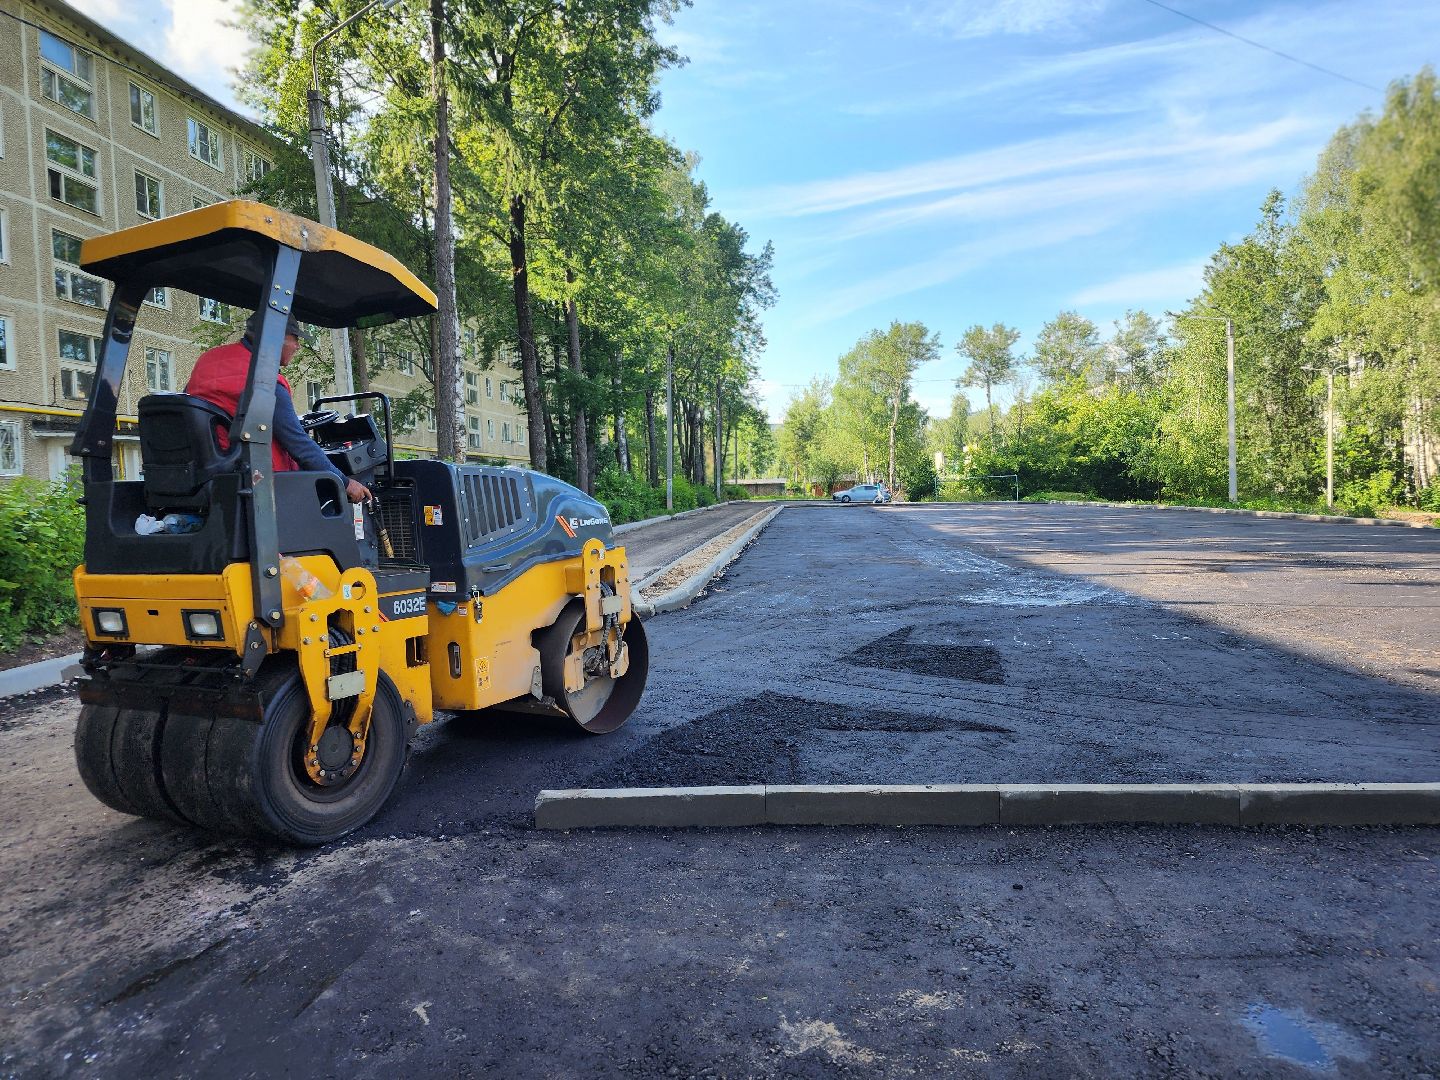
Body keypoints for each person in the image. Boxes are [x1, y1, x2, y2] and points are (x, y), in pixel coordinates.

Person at [186, 310, 371, 503]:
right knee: (330, 499)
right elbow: (298, 444)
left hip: (210, 476)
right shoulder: (264, 380)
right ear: (275, 337)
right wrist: (345, 482)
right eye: (295, 339)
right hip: (259, 483)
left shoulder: (208, 361)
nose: (298, 346)